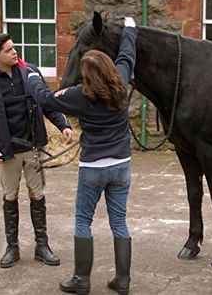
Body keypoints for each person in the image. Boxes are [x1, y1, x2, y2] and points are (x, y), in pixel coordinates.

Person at [26, 17, 137, 294]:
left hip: (93, 168)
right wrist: (131, 29)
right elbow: (127, 54)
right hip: (122, 165)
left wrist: (32, 76)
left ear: (86, 75)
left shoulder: (78, 95)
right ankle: (122, 281)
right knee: (120, 221)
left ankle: (82, 280)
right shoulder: (121, 82)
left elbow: (45, 99)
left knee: (83, 221)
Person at [0, 33, 73, 268]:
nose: (14, 52)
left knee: (38, 196)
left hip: (33, 147)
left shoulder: (30, 72)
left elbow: (47, 102)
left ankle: (42, 246)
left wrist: (63, 125)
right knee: (10, 197)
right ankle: (12, 248)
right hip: (7, 153)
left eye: (13, 47)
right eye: (8, 50)